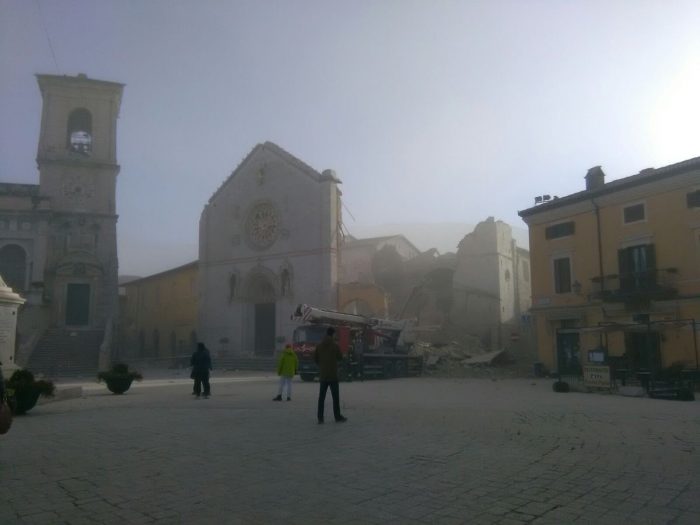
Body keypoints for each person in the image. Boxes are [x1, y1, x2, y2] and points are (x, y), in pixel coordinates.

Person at [314, 327, 347, 424]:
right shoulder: (335, 346)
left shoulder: (319, 346)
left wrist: (322, 365)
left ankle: (320, 418)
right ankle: (337, 417)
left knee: (321, 398)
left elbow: (315, 359)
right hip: (333, 376)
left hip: (323, 376)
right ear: (332, 334)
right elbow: (340, 358)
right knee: (335, 398)